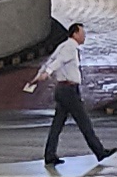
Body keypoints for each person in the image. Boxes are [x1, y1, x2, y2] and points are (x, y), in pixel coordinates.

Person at [38, 22, 110, 169]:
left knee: (57, 125)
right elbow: (58, 61)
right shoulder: (70, 47)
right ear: (75, 34)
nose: (84, 36)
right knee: (84, 122)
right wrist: (47, 72)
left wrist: (41, 72)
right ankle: (99, 151)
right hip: (69, 90)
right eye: (82, 33)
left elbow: (51, 59)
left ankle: (50, 155)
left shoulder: (63, 46)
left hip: (62, 90)